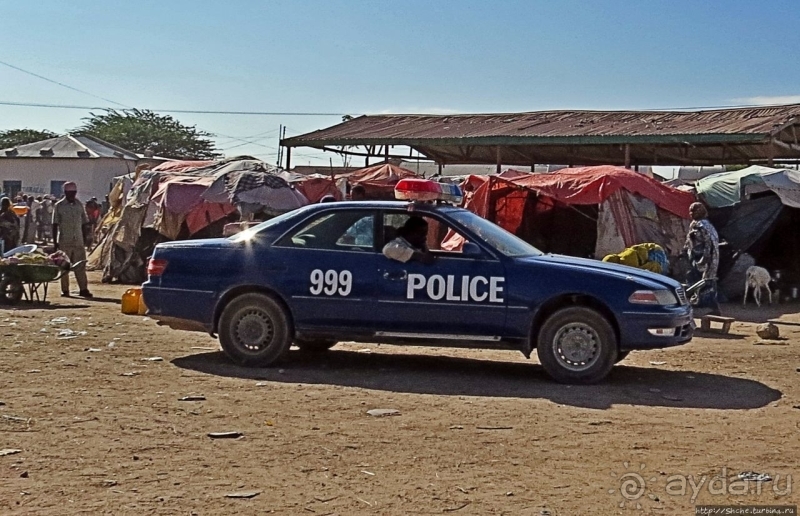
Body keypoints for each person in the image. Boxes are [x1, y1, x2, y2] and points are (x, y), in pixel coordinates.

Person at [52, 182, 92, 298]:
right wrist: (55, 243)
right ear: (65, 193)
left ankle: (83, 289)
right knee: (64, 267)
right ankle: (65, 290)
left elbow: (85, 223)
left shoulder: (79, 205)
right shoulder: (59, 206)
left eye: (74, 193)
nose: (72, 195)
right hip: (65, 240)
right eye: (70, 193)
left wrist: (86, 238)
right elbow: (54, 224)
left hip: (78, 241)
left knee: (80, 266)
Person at [685, 202, 720, 315]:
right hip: (696, 257)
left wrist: (705, 258)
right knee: (696, 281)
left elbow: (709, 243)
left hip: (705, 258)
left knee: (706, 281)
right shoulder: (695, 224)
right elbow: (690, 241)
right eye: (690, 211)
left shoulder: (703, 226)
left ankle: (711, 308)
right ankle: (700, 305)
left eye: (694, 211)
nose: (691, 213)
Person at [602, 243, 669, 274]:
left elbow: (653, 265)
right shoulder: (622, 256)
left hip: (654, 254)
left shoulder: (628, 266)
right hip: (654, 247)